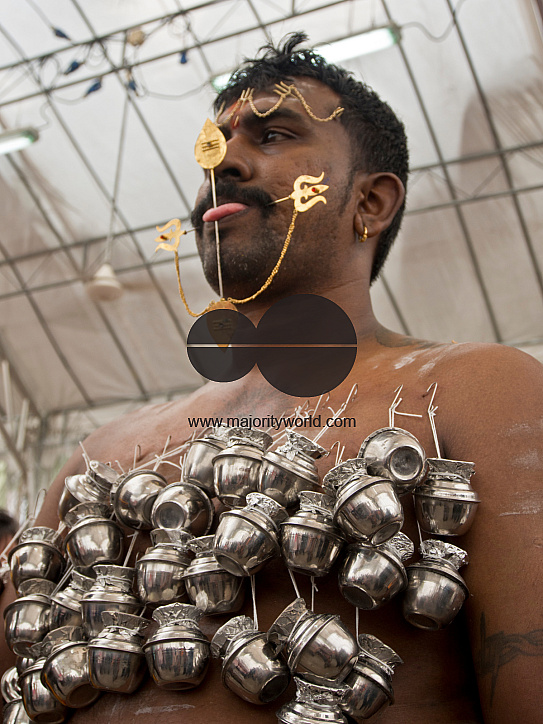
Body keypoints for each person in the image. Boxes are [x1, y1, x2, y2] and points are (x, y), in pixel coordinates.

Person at [1, 33, 542, 724]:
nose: (222, 160)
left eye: (274, 134)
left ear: (370, 202)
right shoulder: (101, 456)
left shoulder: (475, 391)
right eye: (212, 145)